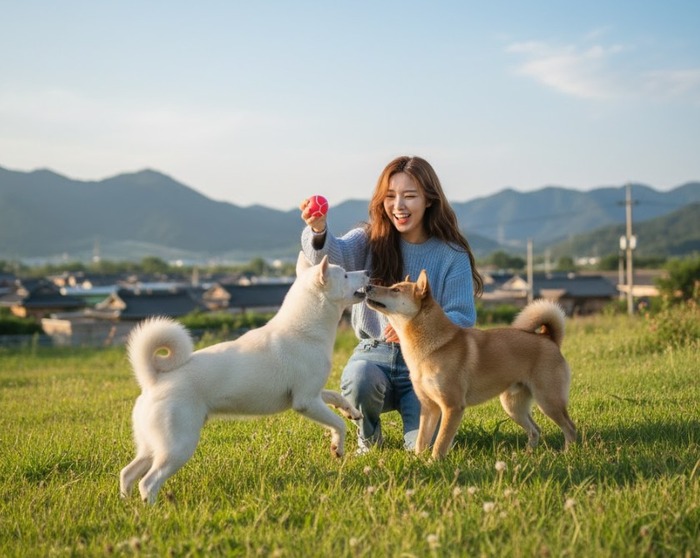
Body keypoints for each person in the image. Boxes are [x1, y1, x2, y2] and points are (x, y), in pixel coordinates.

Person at [299, 155, 483, 453]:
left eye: (410, 196)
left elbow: (462, 316)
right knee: (359, 379)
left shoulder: (452, 254)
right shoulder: (368, 239)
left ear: (429, 200)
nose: (398, 205)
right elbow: (334, 257)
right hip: (375, 356)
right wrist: (319, 230)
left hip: (429, 366)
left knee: (422, 449)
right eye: (390, 196)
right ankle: (368, 439)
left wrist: (414, 328)